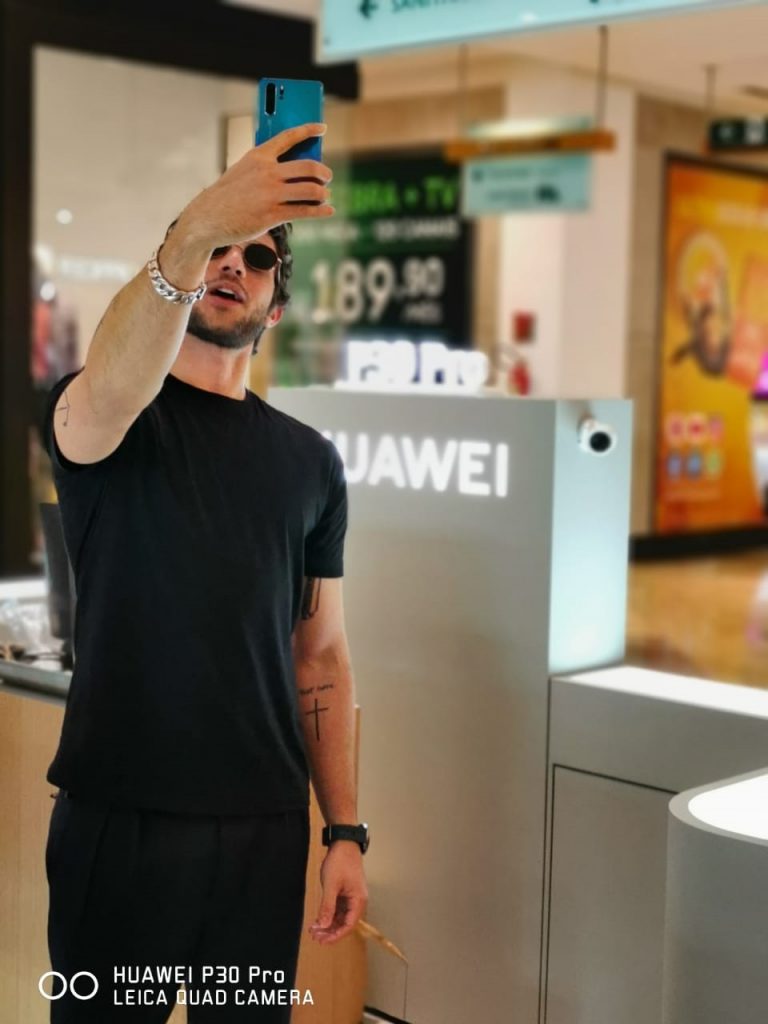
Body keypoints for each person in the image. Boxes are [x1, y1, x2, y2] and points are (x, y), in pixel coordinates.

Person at [42, 122, 369, 1022]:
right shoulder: (107, 413)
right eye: (219, 248)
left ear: (276, 307)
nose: (233, 263)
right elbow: (115, 382)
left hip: (263, 831)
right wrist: (198, 228)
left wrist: (344, 829)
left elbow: (321, 655)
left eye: (257, 257)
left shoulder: (310, 462)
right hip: (120, 822)